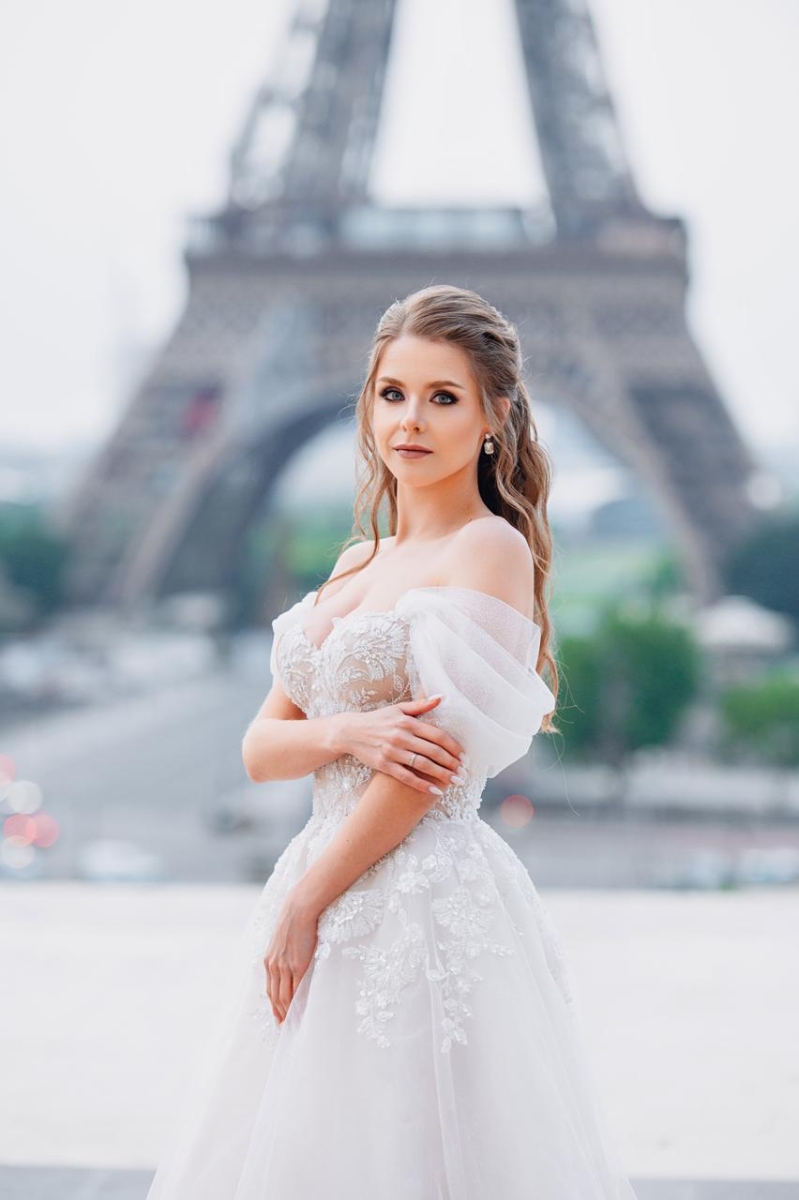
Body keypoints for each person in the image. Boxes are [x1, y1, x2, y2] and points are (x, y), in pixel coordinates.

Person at [146, 284, 638, 1198]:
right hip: (323, 879)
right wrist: (346, 730)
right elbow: (260, 748)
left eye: (442, 397)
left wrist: (305, 905)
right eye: (391, 392)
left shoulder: (487, 549)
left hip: (412, 894)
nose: (410, 419)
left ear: (494, 417)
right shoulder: (354, 562)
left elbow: (424, 772)